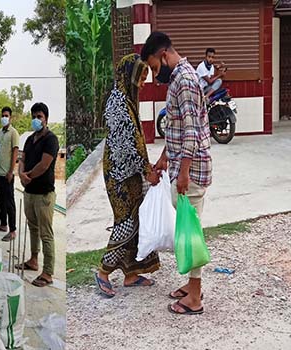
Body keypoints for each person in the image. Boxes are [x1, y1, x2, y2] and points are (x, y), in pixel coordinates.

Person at [141, 31, 212, 315]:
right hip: (184, 167)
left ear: (163, 55)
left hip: (191, 171)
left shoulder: (183, 80)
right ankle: (191, 284)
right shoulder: (181, 78)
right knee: (186, 228)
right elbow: (177, 129)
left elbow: (191, 133)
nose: (156, 75)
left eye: (155, 68)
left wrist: (182, 173)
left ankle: (194, 297)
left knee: (190, 232)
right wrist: (162, 161)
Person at [92, 53, 162, 298]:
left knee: (137, 217)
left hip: (131, 172)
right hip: (120, 175)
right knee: (125, 223)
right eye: (141, 79)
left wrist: (148, 167)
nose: (143, 84)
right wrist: (147, 170)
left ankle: (131, 274)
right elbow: (126, 146)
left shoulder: (127, 100)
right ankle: (103, 272)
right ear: (129, 77)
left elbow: (137, 141)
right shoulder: (117, 103)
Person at [15, 103, 59, 288]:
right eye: (34, 116)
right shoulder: (29, 139)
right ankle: (33, 260)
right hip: (29, 192)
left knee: (45, 233)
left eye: (39, 116)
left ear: (46, 119)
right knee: (32, 228)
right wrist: (20, 173)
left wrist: (27, 176)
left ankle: (48, 272)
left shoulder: (51, 140)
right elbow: (22, 159)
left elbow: (44, 164)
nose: (36, 119)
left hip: (43, 194)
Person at [0, 107, 19, 242]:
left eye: (6, 115)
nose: (4, 117)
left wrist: (11, 171)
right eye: (2, 115)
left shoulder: (13, 133)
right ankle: (3, 224)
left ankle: (12, 230)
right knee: (0, 200)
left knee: (9, 203)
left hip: (7, 174)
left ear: (10, 117)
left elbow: (15, 152)